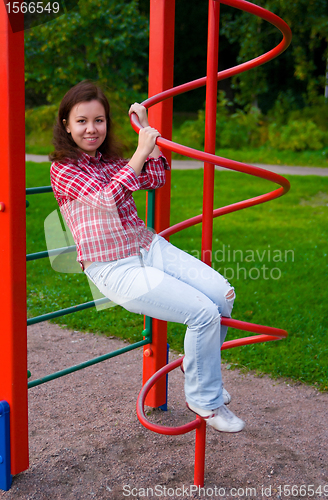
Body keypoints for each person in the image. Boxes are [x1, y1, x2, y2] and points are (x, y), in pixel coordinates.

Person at [50, 80, 245, 433]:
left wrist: (146, 132)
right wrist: (141, 151)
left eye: (99, 120)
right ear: (66, 124)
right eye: (82, 121)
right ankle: (205, 401)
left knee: (221, 294)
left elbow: (155, 178)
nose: (92, 129)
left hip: (148, 246)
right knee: (201, 313)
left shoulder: (109, 161)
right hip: (114, 267)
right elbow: (106, 200)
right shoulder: (64, 170)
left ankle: (194, 363)